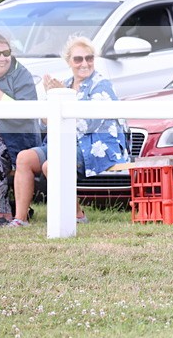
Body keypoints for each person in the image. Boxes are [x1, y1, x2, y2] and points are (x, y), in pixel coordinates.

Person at [8, 36, 130, 227]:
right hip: (64, 143)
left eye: (89, 58)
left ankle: (77, 215)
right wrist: (51, 97)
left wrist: (64, 96)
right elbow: (46, 125)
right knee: (24, 157)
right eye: (78, 59)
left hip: (96, 145)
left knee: (52, 165)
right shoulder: (64, 83)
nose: (85, 63)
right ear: (69, 62)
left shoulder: (101, 85)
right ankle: (20, 219)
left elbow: (89, 124)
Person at [0, 31, 42, 224]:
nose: (3, 58)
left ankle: (2, 213)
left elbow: (25, 115)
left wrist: (0, 96)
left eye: (6, 53)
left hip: (18, 137)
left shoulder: (21, 75)